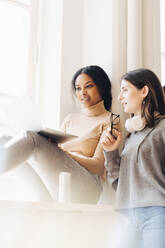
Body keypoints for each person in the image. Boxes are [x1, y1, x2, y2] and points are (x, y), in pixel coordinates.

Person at [0, 65, 112, 204]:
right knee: (6, 140)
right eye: (78, 88)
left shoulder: (110, 121)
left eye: (88, 86)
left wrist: (65, 153)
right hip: (61, 180)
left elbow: (98, 166)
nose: (82, 92)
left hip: (88, 186)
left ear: (102, 87)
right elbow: (58, 156)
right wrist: (50, 145)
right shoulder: (70, 119)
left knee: (31, 139)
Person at [101, 68, 165, 247]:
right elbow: (118, 184)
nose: (120, 97)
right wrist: (111, 151)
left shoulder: (163, 128)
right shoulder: (131, 136)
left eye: (125, 89)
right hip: (127, 216)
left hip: (157, 214)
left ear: (144, 91)